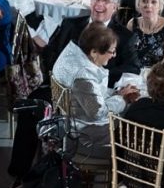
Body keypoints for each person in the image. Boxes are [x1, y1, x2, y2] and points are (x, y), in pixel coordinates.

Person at [51, 22, 136, 157]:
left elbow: (90, 95)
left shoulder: (72, 55)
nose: (114, 55)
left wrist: (116, 93)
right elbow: (97, 112)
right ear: (94, 52)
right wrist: (122, 99)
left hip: (73, 121)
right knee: (137, 126)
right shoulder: (83, 76)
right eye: (111, 51)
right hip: (86, 133)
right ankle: (123, 170)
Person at [41, 0, 138, 83]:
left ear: (114, 7)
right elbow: (50, 52)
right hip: (63, 85)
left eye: (106, 1)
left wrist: (99, 76)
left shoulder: (125, 36)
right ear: (90, 2)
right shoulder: (69, 24)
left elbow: (133, 69)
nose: (99, 4)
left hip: (103, 90)